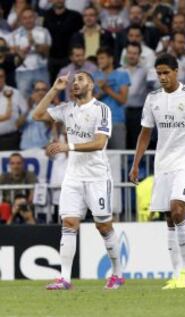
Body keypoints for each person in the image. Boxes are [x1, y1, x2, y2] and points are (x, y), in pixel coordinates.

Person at [32, 71, 123, 290]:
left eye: (80, 79)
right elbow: (37, 115)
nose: (75, 83)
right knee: (69, 224)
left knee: (103, 226)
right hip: (73, 177)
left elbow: (100, 142)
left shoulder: (102, 109)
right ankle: (64, 278)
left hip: (97, 177)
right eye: (73, 81)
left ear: (91, 85)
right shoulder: (66, 109)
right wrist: (54, 88)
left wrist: (68, 146)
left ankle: (117, 273)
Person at [129, 53, 185, 289]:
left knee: (178, 210)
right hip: (162, 163)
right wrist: (136, 163)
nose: (163, 77)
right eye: (159, 74)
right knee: (168, 217)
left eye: (167, 72)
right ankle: (176, 273)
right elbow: (145, 133)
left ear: (177, 71)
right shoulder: (153, 98)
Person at [9, 7, 52, 98]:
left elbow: (47, 51)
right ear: (20, 20)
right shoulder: (14, 35)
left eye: (30, 17)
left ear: (35, 18)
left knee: (45, 98)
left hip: (41, 69)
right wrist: (19, 52)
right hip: (22, 72)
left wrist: (34, 44)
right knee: (24, 99)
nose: (28, 20)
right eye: (25, 18)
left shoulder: (43, 31)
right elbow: (12, 54)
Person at [93, 47, 130, 149]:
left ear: (110, 59)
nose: (99, 61)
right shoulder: (93, 76)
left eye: (102, 58)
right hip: (97, 123)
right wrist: (100, 93)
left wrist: (107, 89)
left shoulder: (122, 75)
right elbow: (88, 102)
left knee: (119, 158)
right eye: (98, 58)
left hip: (117, 121)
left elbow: (123, 100)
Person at [20, 80, 51, 150]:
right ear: (33, 93)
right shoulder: (28, 108)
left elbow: (51, 126)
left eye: (44, 90)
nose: (40, 92)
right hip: (26, 148)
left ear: (48, 92)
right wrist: (28, 109)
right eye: (37, 90)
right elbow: (18, 125)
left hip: (44, 149)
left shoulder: (53, 108)